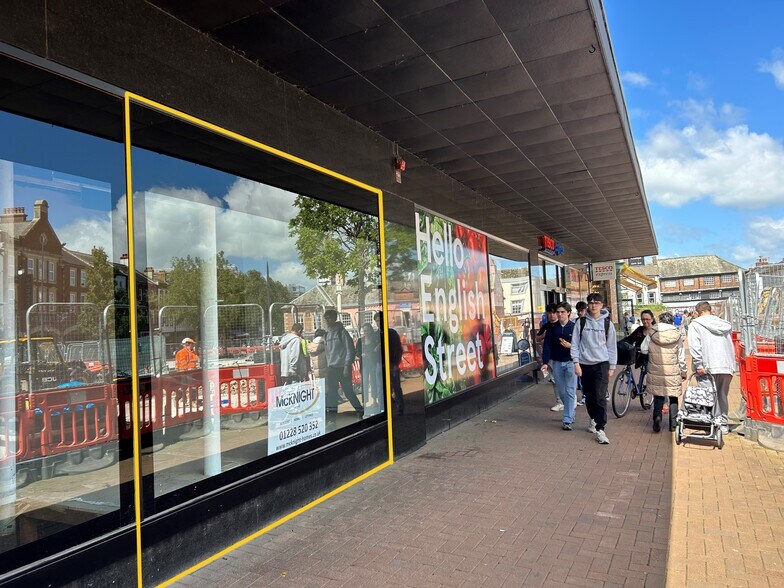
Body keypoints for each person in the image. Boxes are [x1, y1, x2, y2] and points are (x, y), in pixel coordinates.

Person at [571, 293, 617, 445]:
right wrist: (576, 363)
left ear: (601, 305)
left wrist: (612, 366)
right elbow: (575, 344)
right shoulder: (581, 322)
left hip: (602, 364)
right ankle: (593, 418)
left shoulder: (607, 323)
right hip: (584, 364)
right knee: (589, 396)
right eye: (591, 302)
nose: (593, 305)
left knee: (599, 395)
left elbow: (611, 346)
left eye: (597, 303)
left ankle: (600, 427)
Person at [687, 301, 737, 434]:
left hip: (707, 366)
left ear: (697, 312)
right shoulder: (724, 324)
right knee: (722, 395)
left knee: (709, 395)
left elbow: (695, 346)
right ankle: (723, 423)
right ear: (711, 310)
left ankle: (713, 423)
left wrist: (698, 364)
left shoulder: (695, 324)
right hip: (725, 365)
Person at [642, 312, 686, 433]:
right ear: (672, 321)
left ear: (660, 321)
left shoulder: (652, 332)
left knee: (659, 394)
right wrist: (683, 372)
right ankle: (673, 424)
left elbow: (644, 349)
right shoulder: (677, 335)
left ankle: (657, 417)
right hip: (673, 370)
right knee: (673, 396)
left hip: (656, 369)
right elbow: (681, 356)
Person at [541, 302, 576, 430]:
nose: (560, 314)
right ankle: (570, 410)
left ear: (568, 313)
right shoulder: (552, 328)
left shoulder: (574, 327)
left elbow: (581, 345)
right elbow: (547, 345)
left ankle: (567, 418)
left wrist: (571, 346)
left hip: (571, 362)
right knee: (561, 391)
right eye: (558, 312)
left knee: (570, 390)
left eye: (562, 312)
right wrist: (545, 362)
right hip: (557, 362)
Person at [323, 309, 363, 419]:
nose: (327, 320)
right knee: (332, 393)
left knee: (348, 391)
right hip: (332, 368)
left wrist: (346, 366)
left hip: (343, 367)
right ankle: (332, 417)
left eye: (329, 318)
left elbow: (350, 350)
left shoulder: (342, 332)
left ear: (334, 318)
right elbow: (327, 353)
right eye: (326, 318)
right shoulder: (326, 335)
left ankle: (359, 410)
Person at [375, 312, 404, 416]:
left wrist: (396, 363)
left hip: (391, 363)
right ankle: (382, 409)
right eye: (377, 321)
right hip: (379, 364)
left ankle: (400, 408)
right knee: (380, 388)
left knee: (396, 387)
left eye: (380, 320)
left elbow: (398, 348)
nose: (379, 323)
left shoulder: (392, 333)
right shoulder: (376, 334)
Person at [536, 304, 561, 411]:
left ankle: (569, 401)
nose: (552, 315)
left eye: (554, 312)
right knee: (555, 380)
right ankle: (560, 402)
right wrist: (543, 335)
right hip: (550, 358)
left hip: (562, 357)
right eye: (550, 313)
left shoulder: (562, 325)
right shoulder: (546, 326)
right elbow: (537, 338)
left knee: (566, 381)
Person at [355, 322, 382, 410]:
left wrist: (373, 352)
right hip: (364, 365)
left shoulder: (375, 340)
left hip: (373, 364)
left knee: (374, 382)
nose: (366, 332)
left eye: (367, 330)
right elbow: (357, 351)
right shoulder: (360, 340)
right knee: (365, 383)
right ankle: (365, 403)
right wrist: (360, 354)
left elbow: (377, 351)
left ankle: (374, 401)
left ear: (371, 330)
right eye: (364, 330)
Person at [574, 301, 588, 405]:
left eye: (582, 311)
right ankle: (585, 396)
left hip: (588, 354)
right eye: (578, 311)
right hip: (579, 354)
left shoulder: (589, 321)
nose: (580, 313)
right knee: (581, 377)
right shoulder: (576, 322)